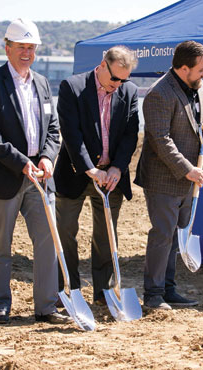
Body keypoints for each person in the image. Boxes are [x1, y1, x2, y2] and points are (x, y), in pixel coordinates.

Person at [0, 19, 65, 324]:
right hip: (4, 176)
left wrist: (48, 157)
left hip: (40, 176)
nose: (27, 52)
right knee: (1, 245)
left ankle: (46, 307)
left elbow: (53, 128)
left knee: (48, 240)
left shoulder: (42, 83)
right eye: (21, 47)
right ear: (7, 48)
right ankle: (0, 304)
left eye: (31, 47)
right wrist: (20, 161)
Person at [134, 40, 203, 310]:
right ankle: (153, 295)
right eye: (201, 69)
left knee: (177, 235)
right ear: (183, 68)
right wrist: (187, 169)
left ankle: (169, 290)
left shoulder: (199, 85)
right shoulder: (160, 94)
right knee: (163, 235)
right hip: (165, 180)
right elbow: (161, 140)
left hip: (190, 179)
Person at [54, 46, 139, 305]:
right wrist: (89, 168)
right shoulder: (72, 87)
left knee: (106, 236)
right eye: (114, 78)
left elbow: (130, 134)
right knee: (66, 232)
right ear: (103, 65)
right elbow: (71, 133)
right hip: (75, 174)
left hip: (111, 178)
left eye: (123, 80)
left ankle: (103, 293)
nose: (118, 85)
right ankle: (68, 289)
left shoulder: (130, 91)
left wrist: (117, 167)